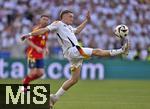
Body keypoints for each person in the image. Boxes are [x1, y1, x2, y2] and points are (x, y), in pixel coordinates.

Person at [21, 10, 129, 108]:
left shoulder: (68, 27)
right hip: (73, 50)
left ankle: (54, 98)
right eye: (70, 16)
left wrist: (86, 20)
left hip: (74, 53)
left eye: (72, 17)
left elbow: (77, 30)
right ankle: (121, 50)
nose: (72, 18)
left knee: (74, 80)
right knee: (97, 51)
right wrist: (29, 34)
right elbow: (44, 30)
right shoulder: (58, 24)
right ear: (63, 17)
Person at [21, 15, 49, 92]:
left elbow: (44, 40)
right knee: (33, 72)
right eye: (44, 19)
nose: (45, 21)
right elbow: (28, 40)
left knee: (41, 73)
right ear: (40, 20)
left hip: (40, 55)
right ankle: (25, 87)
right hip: (32, 54)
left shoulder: (46, 30)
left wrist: (46, 48)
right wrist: (36, 47)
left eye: (47, 20)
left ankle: (26, 81)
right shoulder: (36, 29)